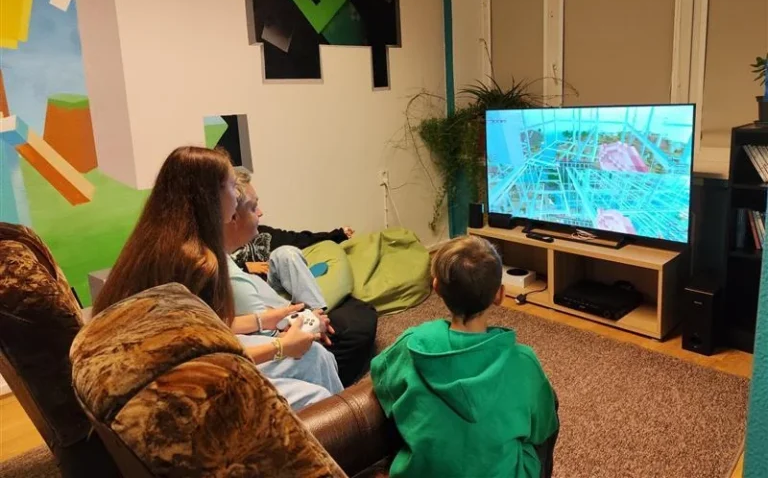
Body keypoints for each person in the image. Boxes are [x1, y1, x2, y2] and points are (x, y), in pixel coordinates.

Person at [92, 146, 342, 410]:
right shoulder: (196, 261)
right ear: (210, 197)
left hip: (155, 364)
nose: (238, 195)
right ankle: (343, 421)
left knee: (315, 356)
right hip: (164, 383)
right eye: (233, 186)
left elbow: (203, 327)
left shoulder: (161, 240)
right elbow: (197, 354)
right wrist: (281, 347)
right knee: (316, 390)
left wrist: (264, 319)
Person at [370, 236, 559, 478]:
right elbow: (542, 428)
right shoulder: (524, 363)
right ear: (499, 295)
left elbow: (382, 381)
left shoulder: (411, 344)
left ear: (436, 288)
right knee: (548, 402)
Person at [225, 167, 378, 386]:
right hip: (274, 317)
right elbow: (263, 330)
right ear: (231, 215)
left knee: (286, 253)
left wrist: (336, 234)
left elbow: (298, 238)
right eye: (253, 207)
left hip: (275, 290)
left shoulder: (260, 234)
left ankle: (318, 313)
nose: (260, 212)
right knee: (359, 321)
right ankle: (319, 326)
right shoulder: (227, 275)